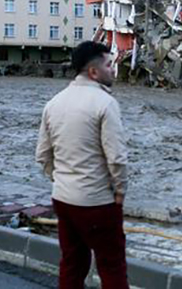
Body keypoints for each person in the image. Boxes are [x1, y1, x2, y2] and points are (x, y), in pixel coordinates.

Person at [36, 41, 129, 289]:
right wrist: (119, 191)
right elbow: (117, 157)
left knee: (72, 263)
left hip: (64, 199)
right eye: (109, 65)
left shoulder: (54, 103)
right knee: (112, 266)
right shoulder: (105, 103)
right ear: (93, 72)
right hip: (97, 202)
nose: (113, 70)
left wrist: (62, 180)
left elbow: (43, 155)